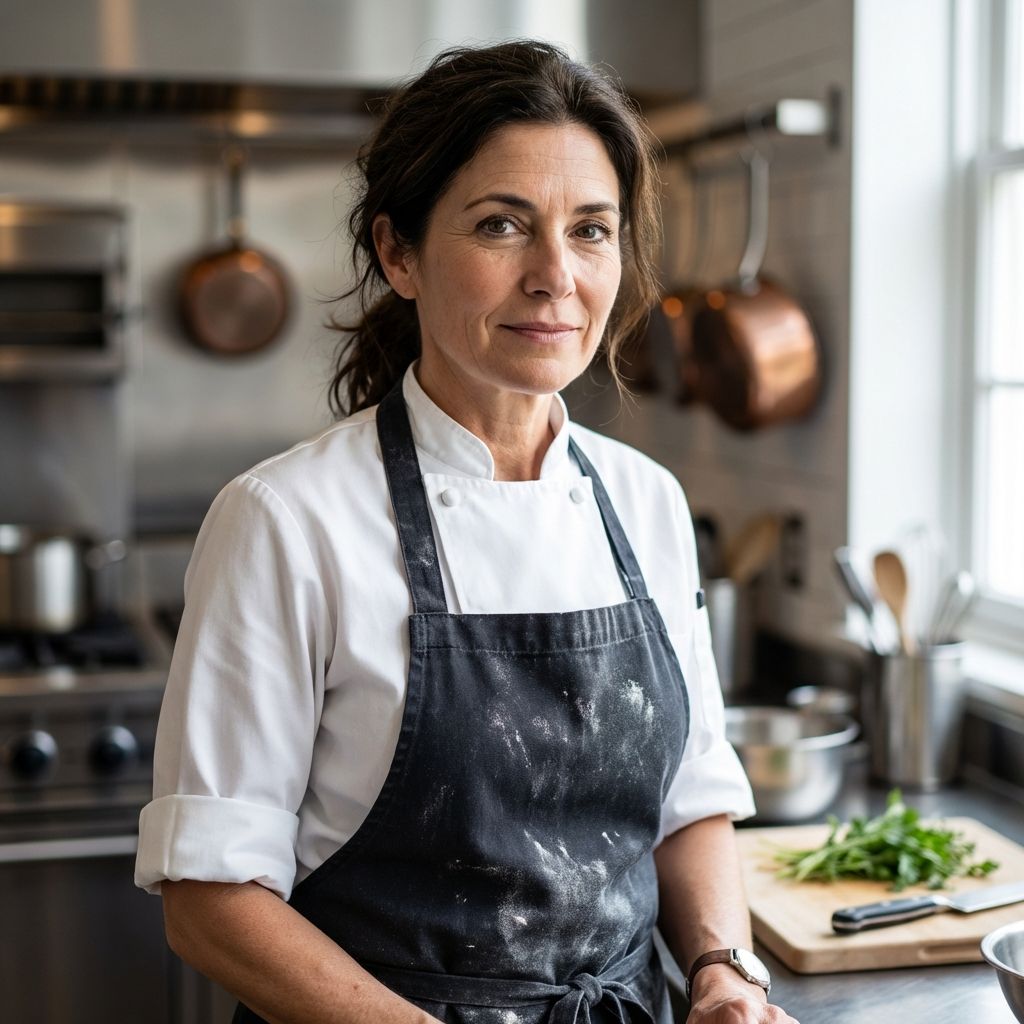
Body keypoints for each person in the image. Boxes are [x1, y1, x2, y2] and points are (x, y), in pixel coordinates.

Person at [135, 40, 799, 1024]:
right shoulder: (286, 521)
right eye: (501, 225)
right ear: (398, 251)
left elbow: (689, 800)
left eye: (590, 231)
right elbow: (210, 901)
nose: (554, 276)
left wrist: (723, 971)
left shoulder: (646, 500)